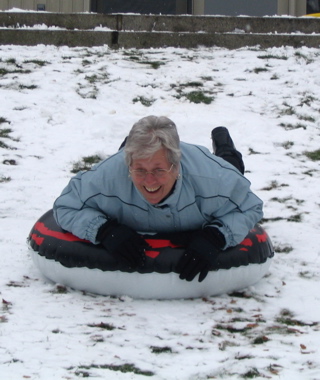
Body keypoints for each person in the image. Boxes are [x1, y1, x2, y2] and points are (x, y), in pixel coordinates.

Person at [53, 116, 263, 282]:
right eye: (139, 169)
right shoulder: (107, 177)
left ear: (176, 165)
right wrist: (104, 230)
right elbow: (65, 206)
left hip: (208, 170)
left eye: (159, 170)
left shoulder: (214, 178)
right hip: (124, 167)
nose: (149, 180)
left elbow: (250, 207)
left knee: (232, 167)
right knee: (141, 163)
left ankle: (225, 145)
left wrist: (217, 236)